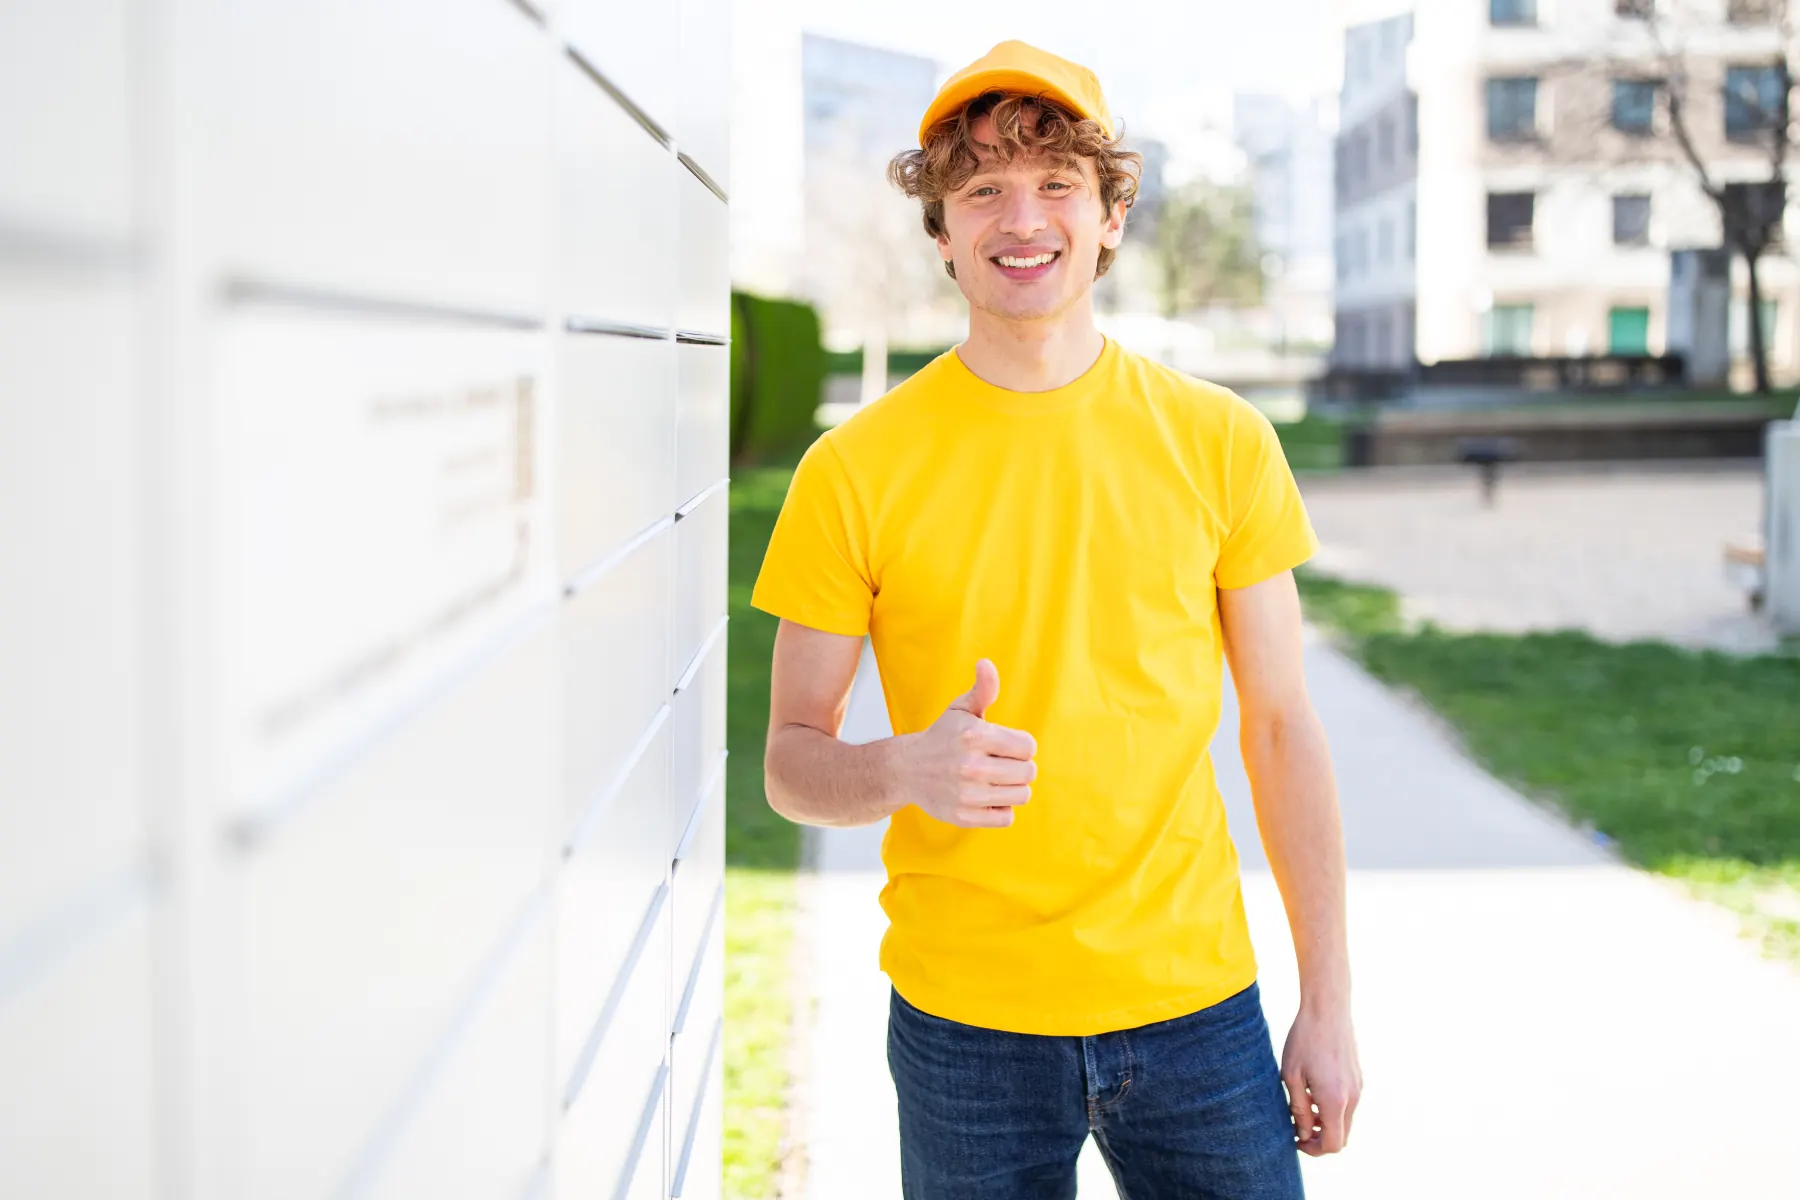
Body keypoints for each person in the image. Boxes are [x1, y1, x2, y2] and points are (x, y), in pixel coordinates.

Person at [750, 39, 1360, 1199]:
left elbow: (1282, 728)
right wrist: (901, 769)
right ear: (941, 229)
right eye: (983, 188)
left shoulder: (1221, 441)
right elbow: (790, 760)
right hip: (964, 1030)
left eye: (1056, 183)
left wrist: (1326, 1004)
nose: (1021, 218)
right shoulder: (854, 471)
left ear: (1111, 213)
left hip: (1195, 1008)